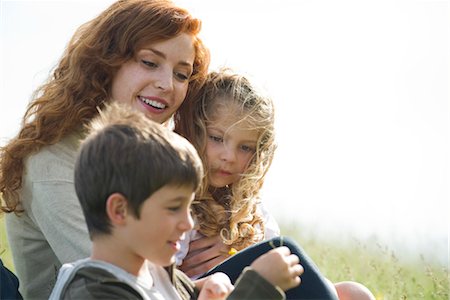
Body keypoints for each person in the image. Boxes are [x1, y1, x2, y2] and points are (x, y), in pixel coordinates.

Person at [0, 0, 209, 298]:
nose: (167, 84)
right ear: (106, 63)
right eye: (150, 62)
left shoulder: (156, 158)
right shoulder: (52, 158)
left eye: (181, 74)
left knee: (276, 256)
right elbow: (121, 276)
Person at [49, 102, 303, 300]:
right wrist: (258, 285)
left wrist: (208, 289)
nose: (187, 222)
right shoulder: (94, 292)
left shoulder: (159, 274)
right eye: (173, 208)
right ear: (120, 210)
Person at [175, 69, 375, 300]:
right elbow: (161, 283)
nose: (229, 156)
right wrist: (217, 276)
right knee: (283, 250)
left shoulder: (254, 214)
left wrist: (235, 254)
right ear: (195, 130)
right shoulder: (180, 202)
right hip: (207, 293)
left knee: (354, 293)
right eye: (217, 138)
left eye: (245, 147)